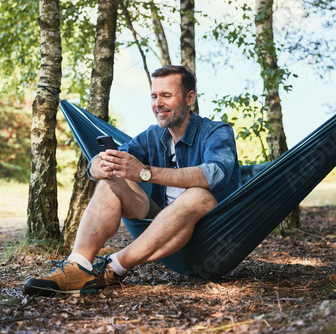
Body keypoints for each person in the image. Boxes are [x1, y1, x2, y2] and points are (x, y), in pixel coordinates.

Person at [24, 65, 241, 296]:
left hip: (213, 227)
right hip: (163, 221)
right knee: (110, 182)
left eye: (167, 95)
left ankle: (113, 267)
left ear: (189, 98)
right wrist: (100, 165)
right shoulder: (153, 135)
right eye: (154, 96)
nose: (158, 103)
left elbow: (215, 174)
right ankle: (78, 267)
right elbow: (108, 161)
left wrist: (145, 173)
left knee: (198, 195)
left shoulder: (216, 131)